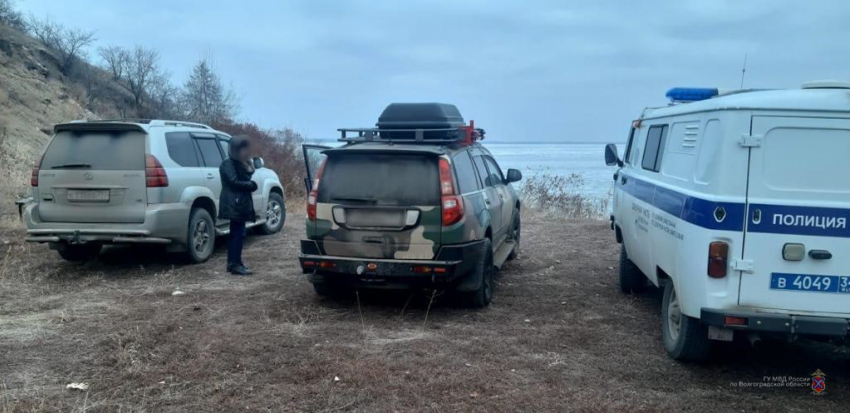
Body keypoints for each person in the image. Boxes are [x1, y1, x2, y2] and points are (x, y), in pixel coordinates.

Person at [219, 136, 258, 275]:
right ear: (235, 149)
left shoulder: (239, 163)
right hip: (234, 203)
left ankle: (235, 263)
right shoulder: (228, 164)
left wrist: (248, 163)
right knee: (237, 234)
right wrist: (251, 185)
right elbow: (234, 182)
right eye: (242, 149)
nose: (245, 152)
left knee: (238, 233)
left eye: (245, 149)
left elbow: (247, 175)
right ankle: (234, 264)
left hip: (239, 203)